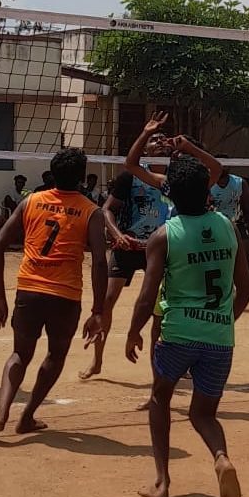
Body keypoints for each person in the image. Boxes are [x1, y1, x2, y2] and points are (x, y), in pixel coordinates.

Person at [126, 158, 249, 497]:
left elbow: (147, 295)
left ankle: (162, 481)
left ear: (171, 196)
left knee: (159, 399)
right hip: (219, 337)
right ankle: (221, 457)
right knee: (203, 414)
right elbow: (245, 290)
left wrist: (133, 332)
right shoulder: (229, 227)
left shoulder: (164, 235)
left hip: (178, 334)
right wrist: (223, 322)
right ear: (207, 190)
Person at [80, 113, 223, 380]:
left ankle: (161, 370)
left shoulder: (177, 181)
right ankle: (97, 360)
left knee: (159, 310)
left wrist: (189, 148)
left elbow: (215, 171)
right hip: (128, 245)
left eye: (161, 139)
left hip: (160, 249)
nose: (158, 142)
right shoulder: (135, 178)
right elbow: (110, 203)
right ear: (146, 148)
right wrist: (117, 234)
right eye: (153, 141)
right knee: (107, 302)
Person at [0, 148, 108, 435]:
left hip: (29, 289)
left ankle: (1, 414)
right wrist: (98, 311)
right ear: (81, 178)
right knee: (55, 355)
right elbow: (100, 261)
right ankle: (26, 416)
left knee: (19, 355)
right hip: (65, 295)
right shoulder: (91, 211)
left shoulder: (31, 202)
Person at [211, 163, 249, 313]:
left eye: (226, 165)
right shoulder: (208, 182)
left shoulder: (239, 183)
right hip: (214, 225)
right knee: (217, 261)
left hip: (236, 224)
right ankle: (221, 297)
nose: (223, 168)